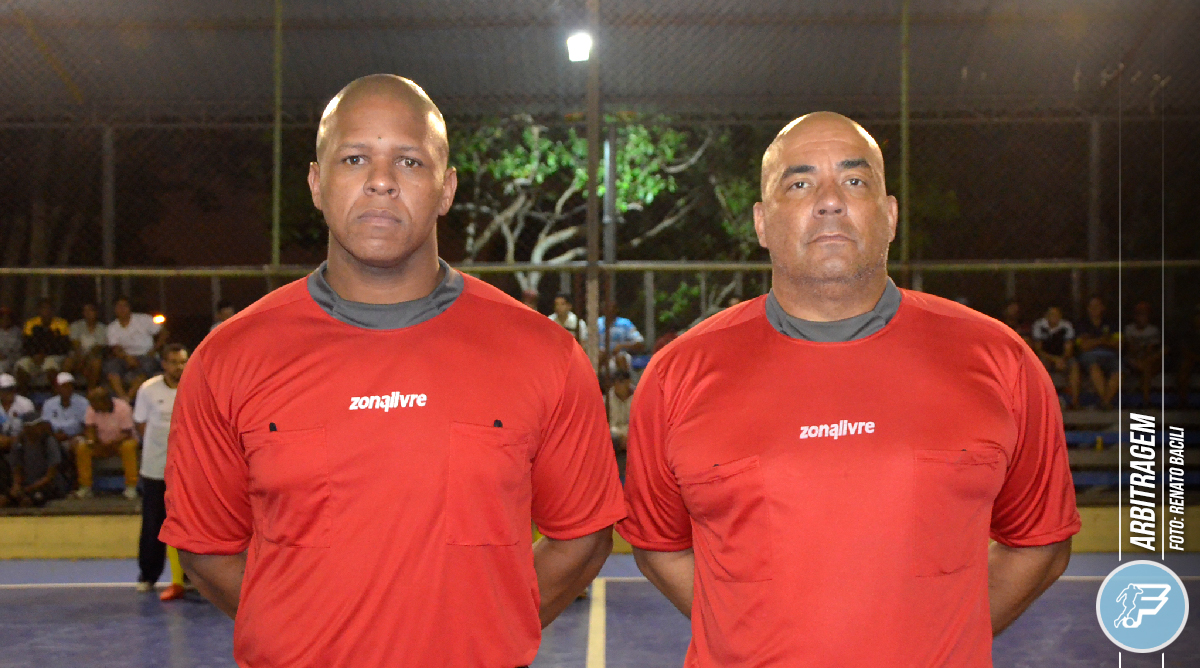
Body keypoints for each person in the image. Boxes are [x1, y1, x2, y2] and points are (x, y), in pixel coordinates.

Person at [159, 74, 623, 667]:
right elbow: (208, 549)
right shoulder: (228, 359)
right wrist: (300, 642)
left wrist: (483, 637)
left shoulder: (544, 353)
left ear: (446, 189)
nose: (381, 180)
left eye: (409, 161)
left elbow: (582, 538)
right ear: (316, 183)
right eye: (354, 158)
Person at [618, 112, 1079, 667]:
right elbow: (660, 549)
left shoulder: (999, 359)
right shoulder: (677, 375)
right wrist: (744, 634)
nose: (831, 201)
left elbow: (1038, 542)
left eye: (855, 181)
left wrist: (940, 638)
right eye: (800, 183)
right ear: (762, 223)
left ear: (890, 216)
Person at [133, 344, 188, 597]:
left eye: (183, 362)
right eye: (174, 362)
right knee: (153, 523)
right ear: (164, 364)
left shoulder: (195, 386)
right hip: (155, 469)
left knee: (190, 524)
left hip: (187, 470)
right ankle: (148, 574)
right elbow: (141, 423)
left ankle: (188, 577)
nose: (179, 367)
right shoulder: (148, 389)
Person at [74, 386, 139, 500]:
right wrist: (92, 441)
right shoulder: (92, 408)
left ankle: (131, 486)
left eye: (95, 403)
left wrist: (110, 444)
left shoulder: (123, 408)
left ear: (105, 401)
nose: (93, 406)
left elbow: (127, 433)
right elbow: (90, 428)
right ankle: (85, 487)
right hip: (100, 443)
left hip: (120, 442)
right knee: (82, 447)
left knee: (128, 446)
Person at [105, 297, 168, 402]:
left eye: (124, 306)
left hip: (146, 355)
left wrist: (154, 349)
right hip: (124, 357)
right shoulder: (112, 327)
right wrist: (127, 357)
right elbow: (115, 348)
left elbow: (163, 333)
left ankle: (128, 397)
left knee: (146, 367)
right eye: (119, 306)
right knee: (111, 367)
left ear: (130, 308)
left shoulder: (144, 319)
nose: (122, 309)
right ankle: (123, 398)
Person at [4, 416, 65, 508]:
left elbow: (50, 475)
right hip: (27, 485)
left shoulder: (48, 441)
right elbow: (17, 468)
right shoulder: (20, 442)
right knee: (5, 500)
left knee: (29, 501)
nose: (29, 431)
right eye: (26, 428)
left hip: (48, 486)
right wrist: (16, 485)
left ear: (39, 427)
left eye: (32, 428)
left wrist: (29, 489)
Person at [1072, 295, 1120, 410]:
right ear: (1088, 308)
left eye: (1097, 306)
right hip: (1089, 356)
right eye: (1091, 306)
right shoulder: (1081, 324)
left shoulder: (1111, 323)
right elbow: (1083, 346)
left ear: (1102, 307)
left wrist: (1093, 341)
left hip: (1110, 355)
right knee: (1094, 367)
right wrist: (1103, 340)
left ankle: (1104, 402)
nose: (1094, 309)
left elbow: (1118, 344)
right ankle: (1106, 403)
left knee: (1119, 370)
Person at [1031, 305, 1077, 405]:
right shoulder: (1039, 325)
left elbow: (1069, 349)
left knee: (1074, 365)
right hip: (1045, 356)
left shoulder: (1066, 326)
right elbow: (1038, 349)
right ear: (1046, 315)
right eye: (1051, 314)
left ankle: (1074, 401)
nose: (1054, 317)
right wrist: (1054, 359)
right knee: (1038, 365)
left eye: (1056, 314)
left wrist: (1061, 360)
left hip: (1062, 357)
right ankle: (1040, 401)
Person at [1123, 301, 1162, 407]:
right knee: (1140, 365)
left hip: (1148, 360)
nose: (1141, 317)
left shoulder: (1153, 330)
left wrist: (1143, 352)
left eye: (1144, 314)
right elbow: (1130, 348)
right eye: (1139, 313)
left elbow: (1151, 349)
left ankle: (1145, 400)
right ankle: (1144, 399)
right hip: (1132, 360)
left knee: (1149, 365)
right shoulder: (1129, 329)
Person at [67, 303, 107, 388]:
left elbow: (97, 348)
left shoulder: (102, 328)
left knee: (96, 364)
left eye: (90, 310)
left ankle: (91, 390)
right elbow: (75, 345)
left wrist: (85, 361)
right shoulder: (75, 326)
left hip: (93, 356)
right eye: (85, 311)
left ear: (96, 312)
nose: (88, 313)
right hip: (77, 355)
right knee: (68, 363)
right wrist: (81, 360)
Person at [1177, 305, 1200, 408]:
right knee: (1184, 368)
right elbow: (1184, 350)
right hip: (1192, 360)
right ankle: (1183, 400)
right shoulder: (1188, 332)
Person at [0, 307, 22, 374]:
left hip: (13, 359)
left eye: (7, 318)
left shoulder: (17, 332)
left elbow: (18, 349)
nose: (5, 320)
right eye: (3, 318)